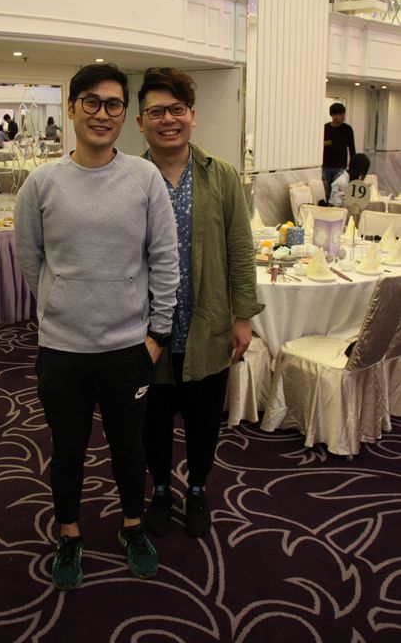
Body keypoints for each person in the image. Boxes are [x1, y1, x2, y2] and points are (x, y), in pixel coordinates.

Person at [14, 63, 180, 591]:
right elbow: (30, 259)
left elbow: (165, 258)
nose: (102, 113)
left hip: (128, 347)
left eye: (113, 104)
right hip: (62, 348)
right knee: (67, 450)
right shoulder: (41, 183)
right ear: (71, 109)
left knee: (129, 447)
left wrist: (157, 334)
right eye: (91, 101)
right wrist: (59, 306)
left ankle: (132, 527)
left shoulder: (144, 179)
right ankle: (69, 534)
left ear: (125, 115)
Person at [136, 67, 264, 539]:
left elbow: (240, 249)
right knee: (151, 421)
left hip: (205, 325)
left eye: (177, 110)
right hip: (146, 332)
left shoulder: (221, 175)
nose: (168, 120)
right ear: (140, 121)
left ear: (193, 115)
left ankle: (196, 488)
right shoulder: (128, 177)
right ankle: (160, 489)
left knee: (204, 419)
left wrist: (243, 315)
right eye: (156, 112)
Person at [322, 103, 356, 201]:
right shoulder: (325, 128)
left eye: (343, 114)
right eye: (339, 114)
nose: (342, 116)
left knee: (337, 193)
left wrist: (352, 167)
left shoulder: (348, 129)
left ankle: (335, 209)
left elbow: (352, 148)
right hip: (325, 166)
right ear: (333, 115)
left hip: (340, 167)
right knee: (325, 192)